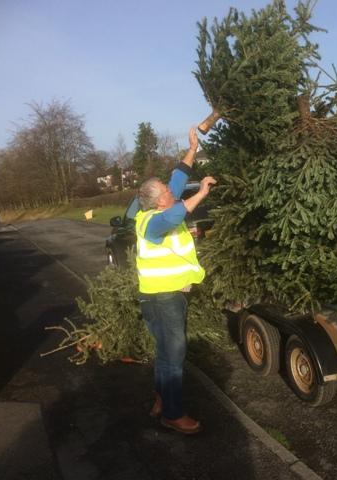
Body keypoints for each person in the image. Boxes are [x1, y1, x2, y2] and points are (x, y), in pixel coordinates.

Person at [135, 126, 216, 435]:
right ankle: (173, 413)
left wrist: (193, 147)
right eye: (167, 193)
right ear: (158, 202)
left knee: (164, 352)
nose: (172, 191)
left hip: (154, 295)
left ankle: (160, 399)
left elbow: (179, 176)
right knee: (174, 355)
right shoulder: (154, 222)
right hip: (165, 298)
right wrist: (202, 194)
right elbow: (174, 217)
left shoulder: (152, 209)